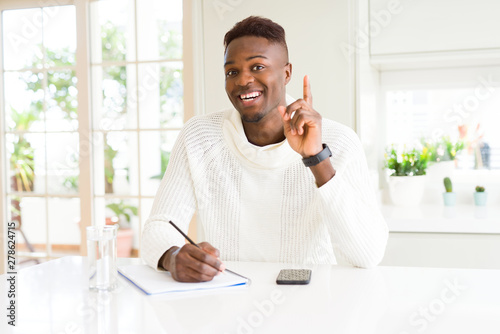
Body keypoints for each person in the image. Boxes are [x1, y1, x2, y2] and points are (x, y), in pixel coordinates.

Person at [141, 16, 388, 282]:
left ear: (286, 73)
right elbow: (158, 228)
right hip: (227, 298)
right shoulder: (199, 136)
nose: (243, 80)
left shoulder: (339, 141)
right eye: (231, 72)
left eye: (257, 66)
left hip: (309, 302)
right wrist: (173, 256)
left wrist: (316, 158)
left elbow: (368, 254)